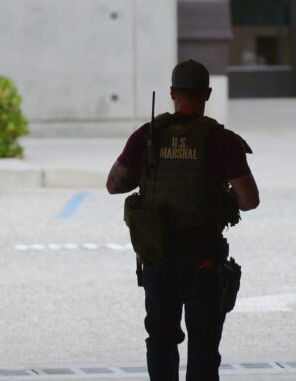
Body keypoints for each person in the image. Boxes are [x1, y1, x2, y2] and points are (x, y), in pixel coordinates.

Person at [106, 59, 260, 380]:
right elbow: (250, 200)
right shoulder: (223, 141)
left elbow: (114, 185)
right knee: (203, 347)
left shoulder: (147, 136)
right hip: (203, 261)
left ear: (172, 92)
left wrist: (152, 173)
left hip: (158, 259)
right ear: (207, 93)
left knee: (161, 341)